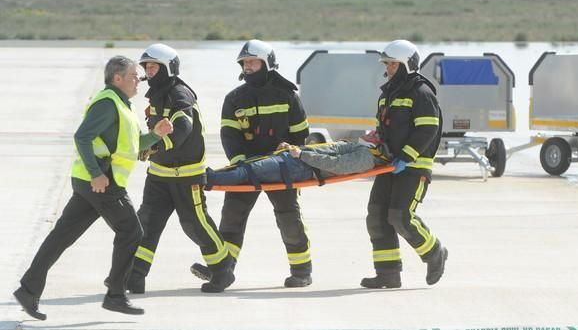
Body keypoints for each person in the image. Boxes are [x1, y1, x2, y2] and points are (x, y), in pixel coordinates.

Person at [13, 56, 173, 320]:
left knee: (62, 236)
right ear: (117, 78)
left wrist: (156, 134)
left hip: (94, 181)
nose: (139, 80)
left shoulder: (122, 106)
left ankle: (29, 289)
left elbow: (131, 146)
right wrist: (96, 174)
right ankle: (115, 294)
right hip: (101, 181)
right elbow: (82, 136)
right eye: (135, 75)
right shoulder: (108, 103)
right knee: (132, 231)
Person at [192, 39, 312, 288]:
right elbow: (230, 137)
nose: (247, 67)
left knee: (288, 217)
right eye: (244, 63)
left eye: (252, 62)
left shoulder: (288, 96)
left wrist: (289, 152)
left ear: (267, 64)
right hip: (246, 169)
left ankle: (301, 271)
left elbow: (301, 134)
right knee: (232, 216)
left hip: (280, 169)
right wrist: (240, 165)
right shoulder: (235, 99)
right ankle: (223, 272)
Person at [127, 43, 234, 294]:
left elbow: (182, 129)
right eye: (147, 67)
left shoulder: (180, 94)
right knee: (147, 224)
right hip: (158, 175)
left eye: (153, 66)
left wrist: (154, 148)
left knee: (195, 224)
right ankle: (135, 275)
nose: (149, 71)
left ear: (168, 68)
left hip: (186, 176)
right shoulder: (155, 95)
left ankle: (222, 270)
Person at [361, 40, 448, 289]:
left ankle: (435, 253)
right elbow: (387, 127)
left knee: (401, 217)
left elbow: (427, 130)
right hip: (389, 166)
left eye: (392, 64)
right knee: (377, 217)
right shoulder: (387, 93)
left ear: (406, 65)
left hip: (413, 167)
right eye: (387, 64)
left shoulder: (422, 93)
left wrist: (406, 158)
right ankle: (388, 273)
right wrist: (376, 137)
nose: (387, 68)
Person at [205, 133, 389, 187]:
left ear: (379, 142)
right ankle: (208, 176)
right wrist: (295, 148)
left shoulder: (366, 158)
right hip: (297, 160)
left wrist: (302, 155)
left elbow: (336, 165)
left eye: (376, 133)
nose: (371, 132)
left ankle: (205, 179)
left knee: (248, 172)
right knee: (246, 166)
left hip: (301, 168)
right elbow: (330, 149)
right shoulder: (362, 148)